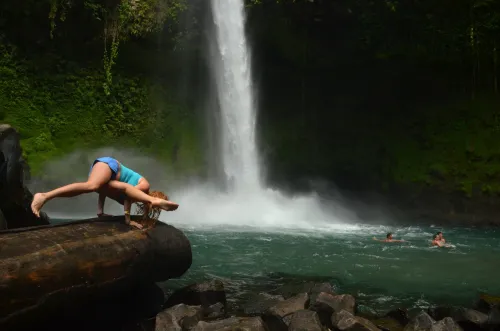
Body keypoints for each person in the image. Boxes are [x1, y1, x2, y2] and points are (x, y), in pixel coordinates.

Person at [30, 156, 179, 229]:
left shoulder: (135, 196)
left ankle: (45, 196)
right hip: (111, 165)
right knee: (92, 186)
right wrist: (128, 219)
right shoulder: (145, 185)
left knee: (96, 186)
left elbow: (105, 191)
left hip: (109, 174)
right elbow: (127, 192)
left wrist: (100, 212)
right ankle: (44, 196)